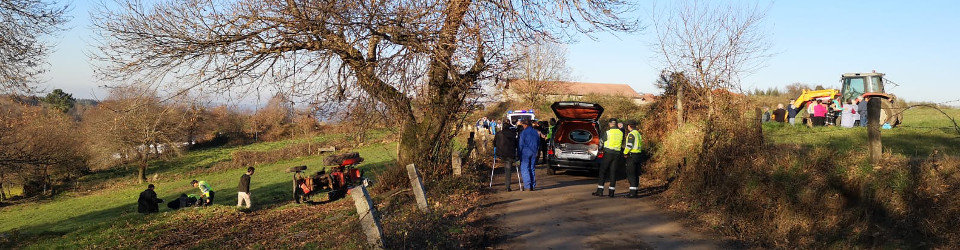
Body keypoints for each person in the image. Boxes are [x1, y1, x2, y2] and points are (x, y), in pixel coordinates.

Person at [594, 119, 623, 197]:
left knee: (603, 171)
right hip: (617, 154)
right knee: (613, 172)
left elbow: (601, 142)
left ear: (610, 124)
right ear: (616, 124)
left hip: (608, 153)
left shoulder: (608, 132)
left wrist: (599, 149)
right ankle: (611, 192)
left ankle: (600, 191)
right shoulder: (621, 133)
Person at [493, 118, 519, 191]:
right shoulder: (513, 133)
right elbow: (516, 144)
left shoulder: (498, 133)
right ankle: (507, 186)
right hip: (510, 154)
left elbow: (494, 144)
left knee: (507, 166)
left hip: (500, 154)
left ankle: (507, 186)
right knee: (508, 168)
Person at [622, 121, 643, 198]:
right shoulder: (638, 134)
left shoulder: (631, 134)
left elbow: (629, 145)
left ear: (629, 126)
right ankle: (635, 191)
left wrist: (625, 153)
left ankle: (632, 193)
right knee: (636, 174)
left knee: (631, 174)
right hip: (638, 155)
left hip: (632, 156)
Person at [517, 120, 540, 191]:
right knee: (532, 168)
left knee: (525, 168)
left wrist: (519, 154)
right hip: (534, 152)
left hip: (525, 152)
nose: (523, 126)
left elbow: (520, 145)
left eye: (523, 125)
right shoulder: (535, 132)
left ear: (526, 125)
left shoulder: (523, 133)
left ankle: (527, 186)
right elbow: (538, 142)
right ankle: (532, 185)